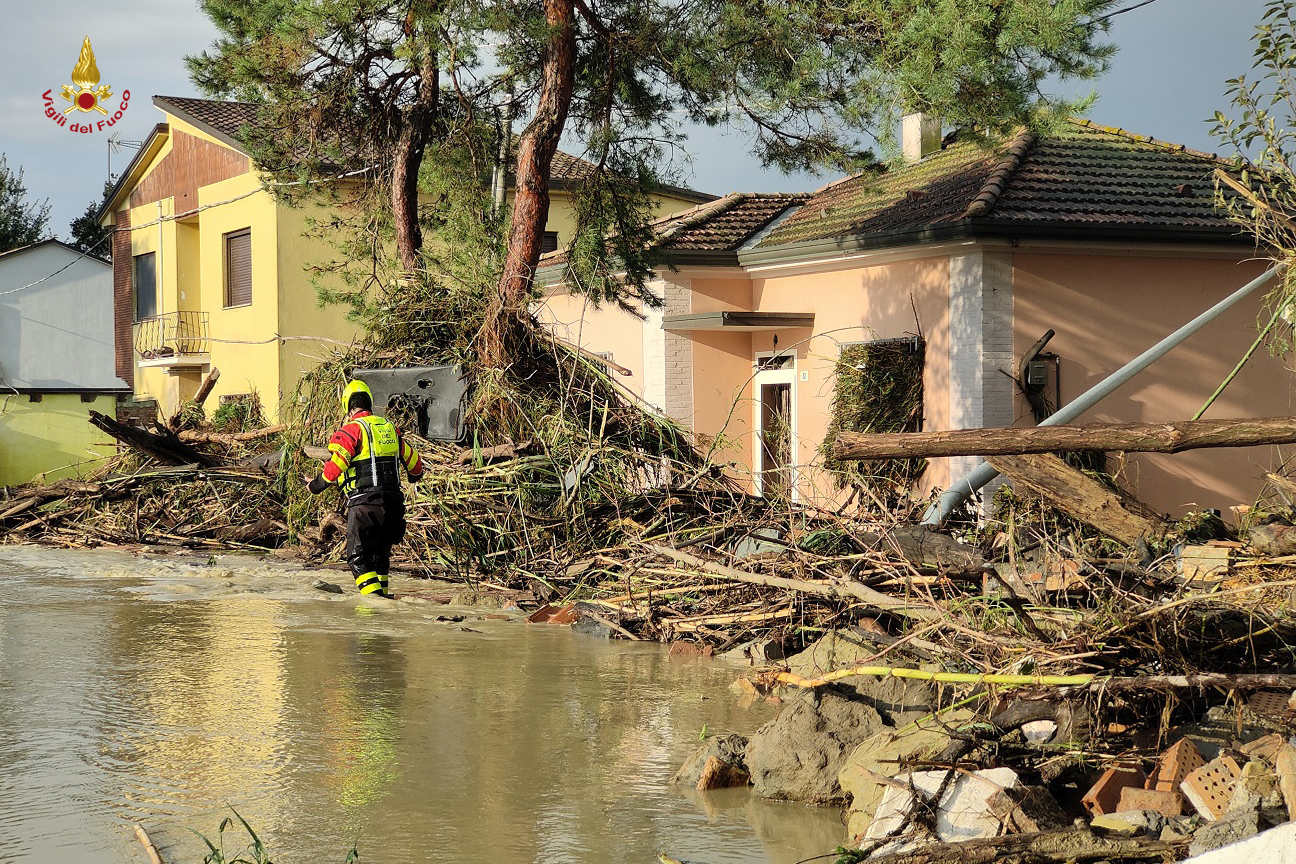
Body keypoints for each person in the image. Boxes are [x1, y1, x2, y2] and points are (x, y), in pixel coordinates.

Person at [307, 379, 424, 598]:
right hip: (394, 505)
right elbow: (416, 467)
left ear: (347, 406)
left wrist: (314, 486)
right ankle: (384, 608)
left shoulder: (350, 431)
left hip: (364, 505)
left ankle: (375, 609)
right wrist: (413, 478)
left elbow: (336, 468)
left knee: (357, 559)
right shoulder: (389, 429)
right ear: (369, 402)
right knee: (380, 558)